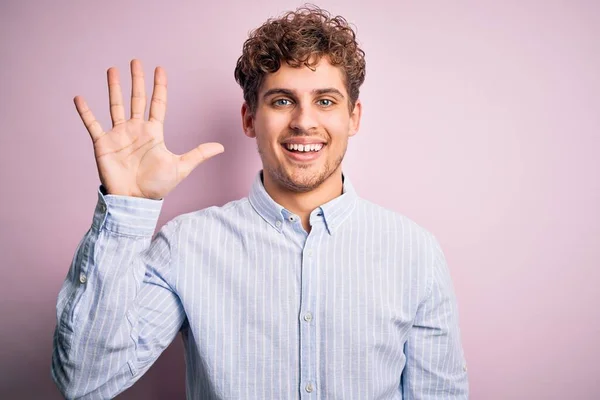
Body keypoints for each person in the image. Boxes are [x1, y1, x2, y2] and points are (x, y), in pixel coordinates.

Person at [52, 5, 468, 399]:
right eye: (282, 100)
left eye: (325, 101)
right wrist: (126, 207)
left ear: (353, 117)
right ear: (249, 119)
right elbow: (86, 382)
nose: (304, 121)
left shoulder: (415, 252)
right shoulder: (186, 246)